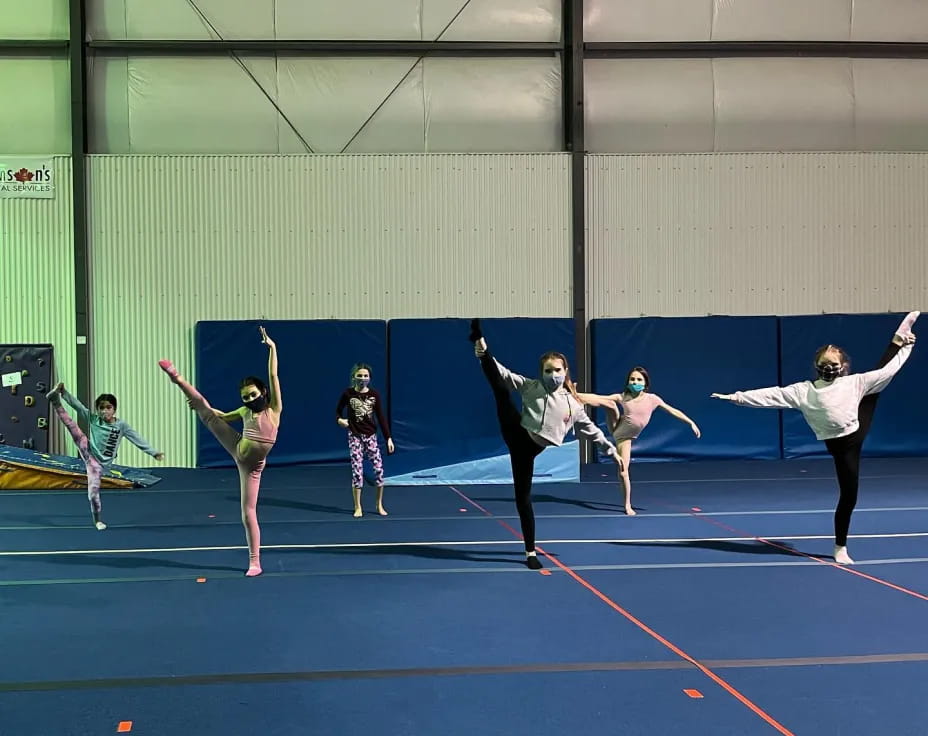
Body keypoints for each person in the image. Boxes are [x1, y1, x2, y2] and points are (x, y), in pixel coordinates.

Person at [711, 312, 918, 564]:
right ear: (817, 366)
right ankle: (839, 545)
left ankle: (898, 339)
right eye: (824, 363)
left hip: (856, 429)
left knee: (877, 384)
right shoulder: (803, 391)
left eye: (834, 363)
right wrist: (737, 397)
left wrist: (906, 348)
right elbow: (771, 396)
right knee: (849, 494)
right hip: (839, 445)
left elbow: (890, 369)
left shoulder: (853, 382)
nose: (829, 368)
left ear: (842, 367)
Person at [468, 318, 621, 569]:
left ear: (565, 372)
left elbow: (591, 430)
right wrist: (485, 356)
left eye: (557, 370)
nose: (553, 375)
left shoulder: (573, 404)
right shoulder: (532, 387)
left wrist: (611, 450)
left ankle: (530, 552)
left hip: (528, 451)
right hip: (517, 433)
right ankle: (480, 346)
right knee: (501, 391)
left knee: (523, 499)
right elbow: (503, 374)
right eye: (548, 371)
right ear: (542, 373)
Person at [158, 326, 281, 576]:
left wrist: (272, 348)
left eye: (253, 395)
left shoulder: (274, 410)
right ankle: (177, 378)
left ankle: (254, 562)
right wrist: (203, 408)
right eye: (245, 397)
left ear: (263, 393)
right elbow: (223, 416)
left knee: (248, 512)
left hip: (252, 467)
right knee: (206, 414)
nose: (248, 399)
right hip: (237, 446)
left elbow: (273, 374)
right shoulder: (245, 411)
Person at [578, 366, 701, 515]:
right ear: (628, 382)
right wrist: (577, 394)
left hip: (626, 438)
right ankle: (573, 396)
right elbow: (598, 397)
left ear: (645, 383)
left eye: (639, 379)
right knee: (608, 402)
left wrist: (690, 422)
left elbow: (672, 410)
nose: (635, 382)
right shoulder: (623, 397)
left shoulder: (652, 399)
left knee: (623, 472)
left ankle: (627, 505)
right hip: (617, 429)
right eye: (632, 379)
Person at [45, 383, 164, 529]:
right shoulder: (94, 419)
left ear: (114, 409)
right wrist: (64, 393)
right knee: (72, 427)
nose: (105, 411)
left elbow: (135, 438)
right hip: (90, 456)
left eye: (108, 408)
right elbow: (78, 406)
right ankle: (55, 400)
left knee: (94, 492)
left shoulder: (121, 426)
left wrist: (153, 452)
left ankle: (97, 518)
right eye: (101, 408)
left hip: (103, 464)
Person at [335, 363, 395, 517]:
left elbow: (381, 417)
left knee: (379, 470)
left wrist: (388, 438)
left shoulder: (374, 395)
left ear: (370, 378)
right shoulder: (348, 394)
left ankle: (379, 504)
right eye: (360, 375)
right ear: (354, 377)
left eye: (365, 376)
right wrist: (340, 420)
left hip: (371, 436)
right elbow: (337, 411)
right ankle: (358, 506)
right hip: (355, 436)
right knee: (357, 471)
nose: (363, 378)